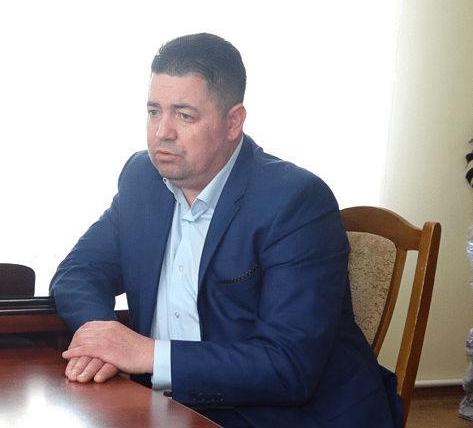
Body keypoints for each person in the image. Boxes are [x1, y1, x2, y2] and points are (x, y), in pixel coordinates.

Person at [49, 33, 403, 427]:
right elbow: (77, 273)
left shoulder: (294, 201)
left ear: (233, 122)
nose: (162, 131)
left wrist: (146, 354)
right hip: (172, 408)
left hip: (282, 416)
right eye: (153, 111)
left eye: (184, 115)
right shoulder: (142, 180)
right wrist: (101, 338)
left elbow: (288, 367)